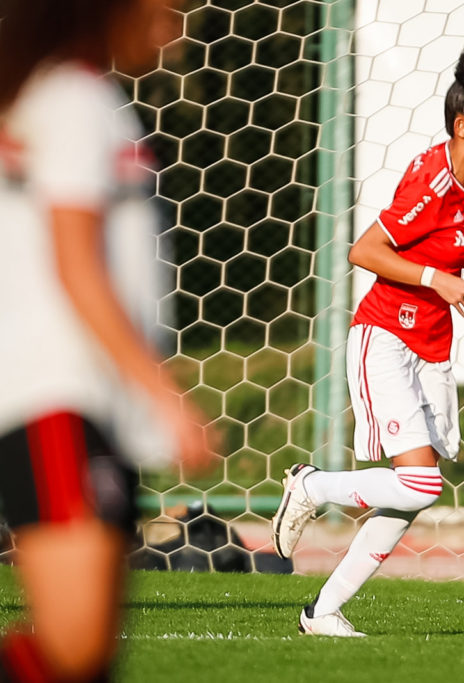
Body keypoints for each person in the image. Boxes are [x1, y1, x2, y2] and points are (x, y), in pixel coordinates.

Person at [269, 49, 464, 638]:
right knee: (421, 483)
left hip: (431, 348)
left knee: (414, 494)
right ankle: (309, 485)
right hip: (384, 336)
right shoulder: (430, 180)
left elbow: (452, 245)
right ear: (462, 126)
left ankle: (322, 612)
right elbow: (366, 251)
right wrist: (441, 278)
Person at [0, 1, 215, 680]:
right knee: (75, 645)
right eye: (171, 7)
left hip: (93, 404)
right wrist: (165, 395)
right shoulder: (70, 98)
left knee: (83, 658)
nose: (181, 24)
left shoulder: (85, 95)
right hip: (55, 395)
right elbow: (75, 259)